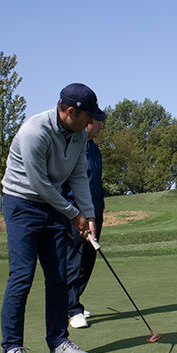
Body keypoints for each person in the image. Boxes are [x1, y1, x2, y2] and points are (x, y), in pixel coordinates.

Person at [0, 83, 106, 353]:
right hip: (22, 203)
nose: (92, 122)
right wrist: (74, 214)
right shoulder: (35, 132)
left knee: (59, 275)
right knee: (22, 274)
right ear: (71, 112)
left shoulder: (78, 135)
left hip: (54, 204)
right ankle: (11, 349)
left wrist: (89, 215)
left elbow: (78, 175)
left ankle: (58, 342)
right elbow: (40, 185)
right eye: (89, 116)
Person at [63, 119, 105, 329]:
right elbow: (70, 183)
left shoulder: (94, 149)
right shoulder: (73, 146)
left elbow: (96, 181)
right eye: (99, 122)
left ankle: (73, 302)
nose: (101, 127)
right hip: (76, 213)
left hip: (95, 212)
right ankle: (71, 309)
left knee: (88, 258)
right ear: (87, 123)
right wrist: (76, 212)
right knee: (75, 259)